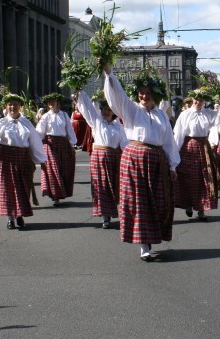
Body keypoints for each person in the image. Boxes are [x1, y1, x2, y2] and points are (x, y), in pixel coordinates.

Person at [103, 65, 179, 260]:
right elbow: (117, 96)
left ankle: (152, 238)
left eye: (147, 93)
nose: (143, 96)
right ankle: (144, 247)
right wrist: (109, 74)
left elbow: (169, 141)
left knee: (159, 201)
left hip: (158, 159)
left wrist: (172, 165)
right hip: (135, 158)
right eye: (140, 93)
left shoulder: (161, 115)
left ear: (154, 94)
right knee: (139, 201)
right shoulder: (131, 110)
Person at [0, 94, 47, 230]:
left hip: (22, 158)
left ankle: (19, 215)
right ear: (6, 106)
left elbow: (34, 142)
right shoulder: (2, 122)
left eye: (15, 104)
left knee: (22, 187)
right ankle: (10, 218)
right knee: (7, 188)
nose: (13, 107)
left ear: (20, 106)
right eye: (10, 104)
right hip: (5, 157)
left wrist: (41, 160)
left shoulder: (26, 122)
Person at [76, 90, 128, 229]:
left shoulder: (119, 126)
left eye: (109, 109)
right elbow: (87, 108)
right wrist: (80, 91)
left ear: (114, 111)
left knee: (113, 186)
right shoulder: (97, 121)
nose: (107, 111)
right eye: (105, 109)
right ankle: (105, 216)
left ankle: (111, 211)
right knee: (101, 186)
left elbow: (124, 143)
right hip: (99, 156)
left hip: (113, 157)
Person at [173, 88, 220, 221]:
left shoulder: (207, 113)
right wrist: (175, 153)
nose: (198, 102)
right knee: (187, 177)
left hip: (203, 147)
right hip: (188, 147)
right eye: (196, 100)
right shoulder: (185, 114)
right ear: (192, 100)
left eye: (201, 100)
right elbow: (178, 133)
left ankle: (201, 210)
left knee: (204, 178)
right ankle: (188, 205)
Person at [36, 93, 77, 206]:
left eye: (56, 102)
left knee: (63, 169)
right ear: (48, 105)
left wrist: (72, 144)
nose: (54, 104)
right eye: (51, 102)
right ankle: (55, 195)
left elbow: (70, 130)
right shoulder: (45, 117)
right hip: (50, 144)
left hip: (63, 144)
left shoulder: (64, 115)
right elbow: (40, 132)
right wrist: (35, 142)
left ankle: (60, 193)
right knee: (53, 169)